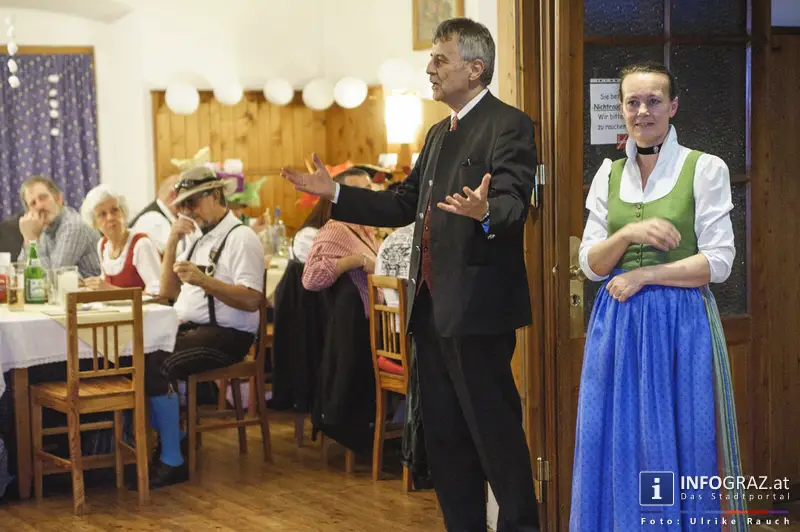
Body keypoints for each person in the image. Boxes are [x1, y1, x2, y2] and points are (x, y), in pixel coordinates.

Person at [282, 18, 539, 531]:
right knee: (445, 438)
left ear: (475, 67)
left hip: (478, 310)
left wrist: (484, 211)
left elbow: (513, 205)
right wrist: (334, 194)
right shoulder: (437, 133)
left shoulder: (509, 124)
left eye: (440, 60)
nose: (430, 69)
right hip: (431, 311)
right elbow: (403, 203)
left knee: (495, 436)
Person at [570, 62, 746, 530]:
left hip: (680, 324)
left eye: (653, 101)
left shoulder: (704, 168)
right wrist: (628, 232)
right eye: (632, 102)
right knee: (615, 439)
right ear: (621, 108)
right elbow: (590, 264)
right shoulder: (606, 176)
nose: (642, 111)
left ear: (672, 106)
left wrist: (647, 277)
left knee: (681, 441)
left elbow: (719, 263)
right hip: (618, 325)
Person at [139, 165, 265, 489]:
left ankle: (173, 459)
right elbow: (168, 292)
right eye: (183, 204)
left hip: (229, 335)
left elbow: (253, 301)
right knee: (135, 358)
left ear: (215, 195)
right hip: (188, 326)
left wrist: (205, 281)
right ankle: (175, 438)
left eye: (194, 202)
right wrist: (172, 240)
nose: (189, 211)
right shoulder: (196, 237)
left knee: (158, 364)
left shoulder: (242, 238)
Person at [302, 168, 378, 315]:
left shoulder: (365, 227)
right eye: (359, 192)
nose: (369, 197)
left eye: (369, 190)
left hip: (375, 319)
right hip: (355, 323)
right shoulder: (337, 229)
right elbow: (310, 278)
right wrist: (357, 261)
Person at [79, 185, 162, 294]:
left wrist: (110, 290)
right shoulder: (102, 245)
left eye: (115, 210)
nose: (110, 217)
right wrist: (90, 286)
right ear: (94, 223)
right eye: (102, 214)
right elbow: (108, 283)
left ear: (123, 212)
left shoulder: (141, 244)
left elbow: (157, 293)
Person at [17, 176, 101, 278]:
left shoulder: (74, 225)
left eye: (43, 198)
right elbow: (21, 274)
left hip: (96, 293)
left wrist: (32, 239)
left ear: (58, 199)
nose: (39, 206)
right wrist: (27, 239)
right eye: (33, 203)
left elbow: (52, 278)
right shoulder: (40, 228)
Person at [129, 174, 201, 256]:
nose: (190, 204)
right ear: (173, 195)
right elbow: (177, 253)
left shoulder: (160, 216)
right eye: (187, 198)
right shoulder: (153, 219)